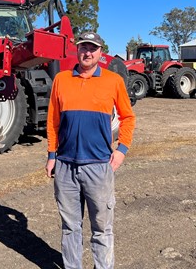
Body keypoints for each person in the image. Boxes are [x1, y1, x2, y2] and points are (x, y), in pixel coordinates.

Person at [45, 31, 136, 269]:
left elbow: (128, 117)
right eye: (84, 47)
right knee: (70, 227)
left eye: (92, 48)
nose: (87, 52)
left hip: (98, 167)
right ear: (77, 50)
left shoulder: (113, 81)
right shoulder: (61, 80)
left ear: (100, 52)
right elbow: (53, 120)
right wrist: (51, 155)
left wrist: (122, 150)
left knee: (102, 229)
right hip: (65, 166)